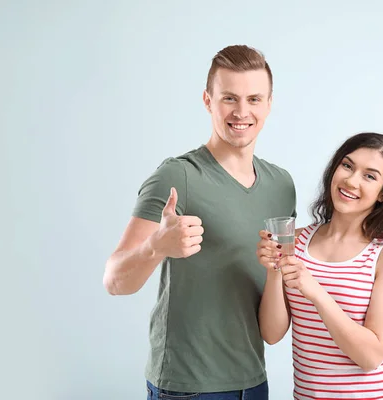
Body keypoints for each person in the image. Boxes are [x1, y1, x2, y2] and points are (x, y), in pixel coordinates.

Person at [103, 45, 297, 399]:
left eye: (254, 99)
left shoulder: (281, 185)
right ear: (208, 101)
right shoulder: (177, 175)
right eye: (229, 98)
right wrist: (156, 247)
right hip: (187, 388)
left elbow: (274, 314)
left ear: (269, 104)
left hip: (254, 383)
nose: (242, 111)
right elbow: (114, 280)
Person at [256, 132, 383, 399]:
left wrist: (316, 292)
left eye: (369, 176)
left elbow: (370, 356)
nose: (351, 180)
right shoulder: (297, 240)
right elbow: (271, 333)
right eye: (347, 166)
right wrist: (273, 271)